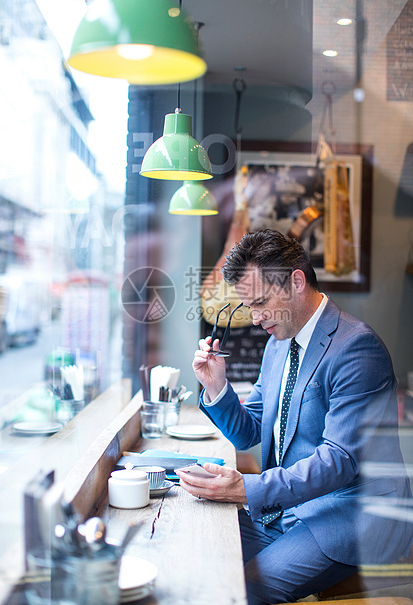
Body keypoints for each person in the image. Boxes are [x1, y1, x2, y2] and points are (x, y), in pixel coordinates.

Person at [176, 229, 413, 605]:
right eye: (248, 307)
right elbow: (249, 431)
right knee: (197, 543)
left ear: (296, 281)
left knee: (248, 589)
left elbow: (340, 460)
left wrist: (247, 489)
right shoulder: (277, 344)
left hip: (352, 514)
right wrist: (216, 388)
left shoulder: (356, 347)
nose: (255, 319)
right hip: (291, 508)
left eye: (260, 303)